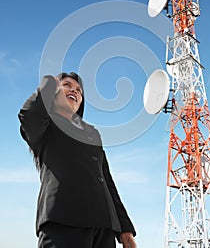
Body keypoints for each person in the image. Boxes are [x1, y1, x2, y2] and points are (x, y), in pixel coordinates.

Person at [18, 72, 137, 248]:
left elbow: (106, 181)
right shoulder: (44, 127)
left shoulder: (93, 133)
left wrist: (124, 229)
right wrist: (49, 83)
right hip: (64, 220)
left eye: (79, 90)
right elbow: (28, 115)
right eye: (67, 85)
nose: (74, 90)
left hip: (104, 228)